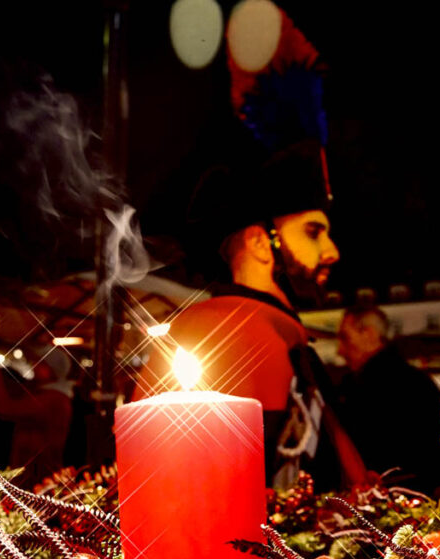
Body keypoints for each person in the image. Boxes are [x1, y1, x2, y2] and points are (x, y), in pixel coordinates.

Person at [132, 140, 366, 489]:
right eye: (313, 232)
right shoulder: (224, 326)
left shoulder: (276, 329)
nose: (332, 251)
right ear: (260, 243)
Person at [336, 306, 440, 494]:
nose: (339, 351)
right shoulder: (419, 382)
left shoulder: (361, 388)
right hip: (417, 498)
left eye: (345, 337)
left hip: (374, 499)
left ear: (369, 334)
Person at [0, 344, 74, 486]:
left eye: (41, 364)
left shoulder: (54, 399)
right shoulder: (44, 392)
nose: (34, 366)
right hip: (32, 472)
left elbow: (7, 408)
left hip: (37, 476)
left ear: (52, 370)